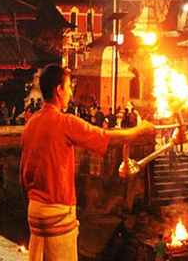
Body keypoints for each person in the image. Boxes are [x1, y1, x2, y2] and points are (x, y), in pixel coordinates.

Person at [19, 64, 155, 261]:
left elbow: (22, 177)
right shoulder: (65, 122)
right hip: (57, 214)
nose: (70, 93)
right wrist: (140, 130)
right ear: (58, 90)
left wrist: (34, 208)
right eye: (68, 88)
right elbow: (107, 138)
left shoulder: (31, 123)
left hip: (36, 214)